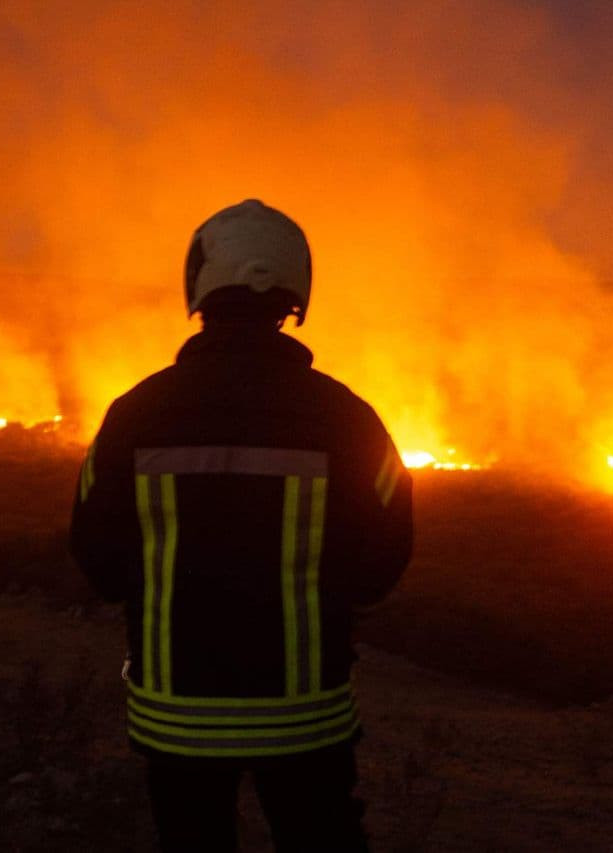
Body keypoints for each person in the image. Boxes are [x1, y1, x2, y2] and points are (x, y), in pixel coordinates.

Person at [69, 199, 413, 852]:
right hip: (306, 715)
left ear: (199, 283)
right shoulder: (348, 418)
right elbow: (384, 560)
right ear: (294, 292)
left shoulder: (135, 414)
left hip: (177, 716)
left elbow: (98, 560)